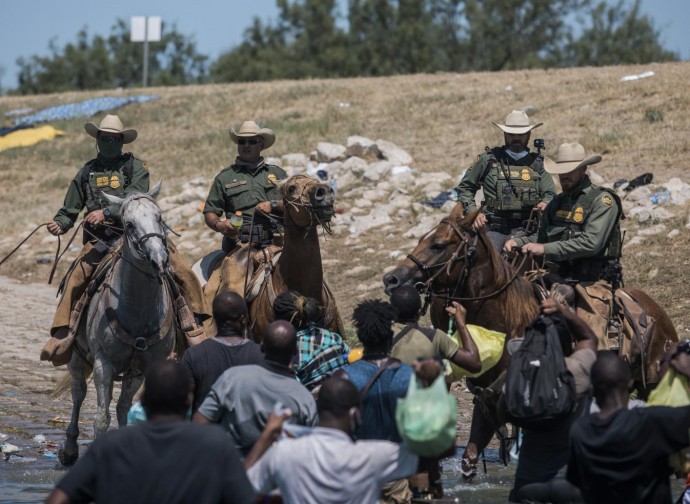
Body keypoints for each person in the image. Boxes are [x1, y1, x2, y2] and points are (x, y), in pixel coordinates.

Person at [41, 114, 208, 367]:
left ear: (121, 141)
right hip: (102, 240)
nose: (109, 142)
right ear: (97, 140)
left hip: (138, 234)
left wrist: (106, 212)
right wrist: (59, 224)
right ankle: (64, 332)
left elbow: (137, 199)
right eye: (104, 138)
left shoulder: (135, 167)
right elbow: (69, 209)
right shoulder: (86, 172)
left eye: (114, 138)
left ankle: (191, 323)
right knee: (76, 276)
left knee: (181, 269)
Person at [45, 361, 256, 504]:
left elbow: (58, 499)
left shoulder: (110, 445)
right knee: (75, 296)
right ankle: (69, 334)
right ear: (188, 400)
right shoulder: (216, 444)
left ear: (143, 401)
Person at [244, 369, 444, 504]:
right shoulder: (372, 455)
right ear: (355, 413)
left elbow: (241, 488)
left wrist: (267, 435)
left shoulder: (284, 452)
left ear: (317, 409)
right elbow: (437, 448)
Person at [504, 142, 624, 346]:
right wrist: (519, 241)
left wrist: (545, 249)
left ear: (584, 169)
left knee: (592, 341)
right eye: (561, 172)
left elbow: (591, 243)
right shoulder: (556, 203)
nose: (564, 176)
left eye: (570, 171)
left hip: (592, 281)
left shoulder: (603, 201)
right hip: (557, 275)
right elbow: (542, 240)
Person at [567, 351, 690, 503]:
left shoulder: (580, 431)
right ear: (631, 383)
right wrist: (685, 372)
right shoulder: (652, 422)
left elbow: (576, 481)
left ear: (592, 388)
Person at [507, 298, 597, 504]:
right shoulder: (577, 370)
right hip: (572, 482)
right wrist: (563, 311)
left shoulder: (520, 376)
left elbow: (503, 411)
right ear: (568, 344)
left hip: (529, 481)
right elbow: (589, 338)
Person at [193, 320, 317, 456]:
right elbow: (312, 448)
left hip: (234, 469)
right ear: (294, 352)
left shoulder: (233, 377)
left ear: (262, 347)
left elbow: (199, 423)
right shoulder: (305, 399)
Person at [202, 121, 288, 298]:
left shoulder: (277, 174)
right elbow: (210, 211)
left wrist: (273, 205)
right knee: (228, 296)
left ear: (261, 145)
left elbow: (292, 204)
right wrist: (220, 225)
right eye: (242, 142)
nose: (246, 146)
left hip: (278, 242)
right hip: (241, 246)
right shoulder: (224, 177)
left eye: (251, 141)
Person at [456, 109, 556, 251]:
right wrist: (474, 213)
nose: (516, 138)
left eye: (521, 135)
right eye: (511, 134)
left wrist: (545, 203)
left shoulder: (539, 163)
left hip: (528, 231)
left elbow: (550, 194)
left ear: (528, 134)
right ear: (504, 134)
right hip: (493, 230)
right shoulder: (488, 159)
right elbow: (465, 188)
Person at [181, 291, 263, 413]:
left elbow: (184, 403)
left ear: (214, 318)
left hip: (205, 430)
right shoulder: (261, 355)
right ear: (244, 319)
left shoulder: (192, 355)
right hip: (247, 431)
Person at [389, 284, 481, 374]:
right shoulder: (435, 337)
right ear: (420, 312)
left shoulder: (381, 334)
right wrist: (461, 323)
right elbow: (474, 363)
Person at [273, 290, 350, 391]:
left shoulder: (291, 355)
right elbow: (350, 359)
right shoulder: (333, 337)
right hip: (349, 392)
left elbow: (294, 391)